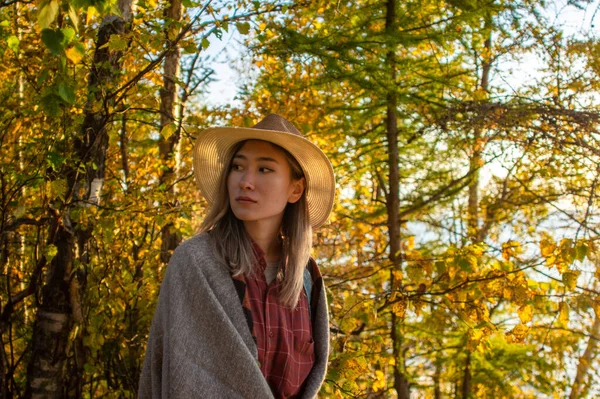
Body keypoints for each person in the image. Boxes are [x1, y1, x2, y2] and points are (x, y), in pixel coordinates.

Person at [138, 114, 335, 398]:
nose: (245, 181)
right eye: (238, 167)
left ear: (295, 189)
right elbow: (179, 375)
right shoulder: (195, 262)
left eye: (265, 169)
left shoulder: (306, 278)